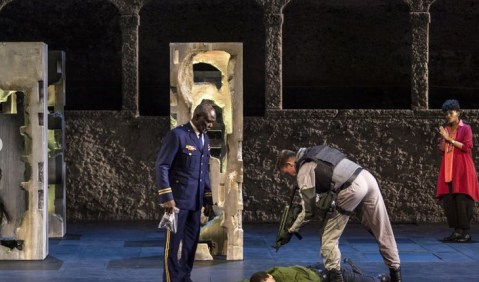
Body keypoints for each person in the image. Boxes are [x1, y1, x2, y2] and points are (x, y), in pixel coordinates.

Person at [276, 147, 401, 282]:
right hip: (367, 177)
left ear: (289, 164)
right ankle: (396, 275)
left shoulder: (304, 168)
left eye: (287, 172)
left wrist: (291, 230)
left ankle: (337, 278)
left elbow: (309, 212)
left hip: (352, 187)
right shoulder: (317, 152)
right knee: (383, 231)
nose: (291, 175)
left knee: (328, 238)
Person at [156, 101, 216, 282]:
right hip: (177, 202)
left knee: (190, 245)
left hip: (195, 203)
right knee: (173, 246)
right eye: (208, 121)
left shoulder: (205, 139)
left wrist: (207, 198)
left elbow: (203, 171)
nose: (211, 125)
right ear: (197, 117)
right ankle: (170, 279)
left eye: (213, 122)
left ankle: (184, 277)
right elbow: (162, 166)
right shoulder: (178, 135)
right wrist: (167, 196)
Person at [437, 99, 479, 242]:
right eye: (446, 113)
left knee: (462, 199)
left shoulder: (465, 128)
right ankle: (456, 231)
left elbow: (467, 147)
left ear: (458, 113)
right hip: (448, 170)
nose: (448, 115)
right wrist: (444, 138)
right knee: (450, 200)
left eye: (451, 113)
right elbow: (442, 150)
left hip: (462, 169)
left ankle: (465, 232)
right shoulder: (447, 130)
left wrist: (450, 139)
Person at [243, 258, 390, 282]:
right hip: (319, 270)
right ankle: (347, 264)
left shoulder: (284, 274)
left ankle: (379, 278)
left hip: (325, 276)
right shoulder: (263, 276)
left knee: (377, 280)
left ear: (269, 276)